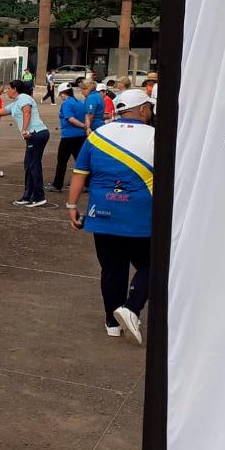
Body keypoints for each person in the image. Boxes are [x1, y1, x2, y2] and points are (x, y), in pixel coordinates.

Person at [66, 89, 156, 344]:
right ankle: (132, 307)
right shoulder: (155, 135)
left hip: (102, 213)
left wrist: (72, 206)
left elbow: (79, 173)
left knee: (112, 268)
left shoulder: (97, 136)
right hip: (140, 215)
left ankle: (112, 322)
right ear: (142, 109)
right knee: (154, 265)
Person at [5, 79, 51, 207]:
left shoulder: (24, 97)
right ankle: (27, 196)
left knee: (33, 165)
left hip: (36, 133)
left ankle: (39, 197)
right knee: (28, 165)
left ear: (14, 89)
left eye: (8, 88)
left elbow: (27, 112)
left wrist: (24, 129)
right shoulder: (15, 104)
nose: (6, 91)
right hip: (33, 136)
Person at [48, 83, 88, 192]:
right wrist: (84, 126)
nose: (61, 97)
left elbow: (70, 119)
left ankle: (57, 184)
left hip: (69, 136)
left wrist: (82, 126)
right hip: (81, 136)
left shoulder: (67, 103)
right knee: (80, 160)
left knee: (62, 161)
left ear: (63, 94)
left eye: (61, 94)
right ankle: (86, 183)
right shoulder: (79, 102)